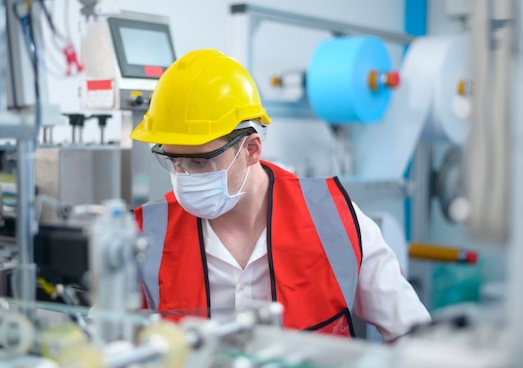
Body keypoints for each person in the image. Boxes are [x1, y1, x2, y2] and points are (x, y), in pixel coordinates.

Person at [129, 49, 431, 342]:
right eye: (173, 161)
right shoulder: (146, 235)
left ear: (251, 149)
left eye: (198, 162)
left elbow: (414, 335)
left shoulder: (334, 221)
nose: (183, 178)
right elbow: (108, 342)